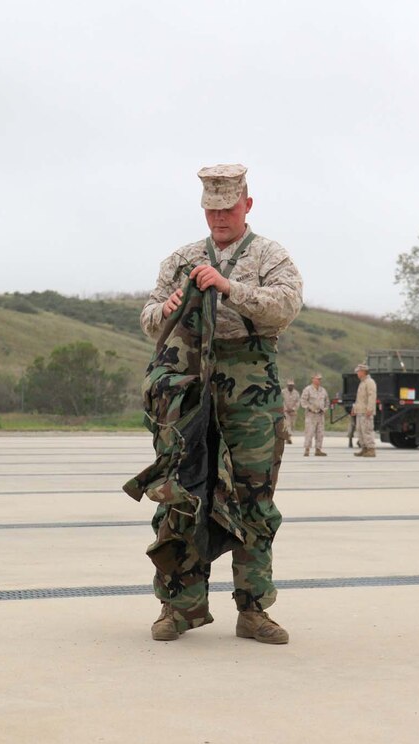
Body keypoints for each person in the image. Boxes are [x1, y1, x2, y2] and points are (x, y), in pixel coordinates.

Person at [130, 163, 302, 644]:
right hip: (188, 386)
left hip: (251, 388)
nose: (218, 218)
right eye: (211, 209)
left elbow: (286, 306)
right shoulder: (182, 258)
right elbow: (148, 318)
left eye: (227, 208)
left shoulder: (270, 255)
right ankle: (178, 607)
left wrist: (231, 289)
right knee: (183, 494)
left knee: (253, 497)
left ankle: (253, 609)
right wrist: (165, 310)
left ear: (247, 204)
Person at [300, 372, 330, 456]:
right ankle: (307, 449)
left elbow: (327, 402)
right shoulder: (308, 389)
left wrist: (325, 409)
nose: (318, 381)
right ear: (313, 379)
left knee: (320, 433)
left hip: (320, 415)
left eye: (320, 379)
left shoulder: (323, 390)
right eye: (317, 379)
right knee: (309, 432)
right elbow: (303, 401)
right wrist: (310, 407)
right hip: (311, 415)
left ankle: (318, 449)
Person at [351, 363, 377, 457]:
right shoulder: (362, 382)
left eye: (358, 371)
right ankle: (364, 448)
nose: (357, 373)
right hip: (360, 411)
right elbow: (359, 398)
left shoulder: (369, 382)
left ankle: (371, 449)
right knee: (360, 430)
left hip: (366, 412)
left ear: (363, 372)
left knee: (367, 430)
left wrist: (370, 409)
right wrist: (354, 408)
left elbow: (372, 396)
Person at [282, 379, 301, 443]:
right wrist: (285, 408)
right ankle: (288, 438)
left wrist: (293, 408)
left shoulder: (296, 393)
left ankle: (289, 436)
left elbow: (298, 402)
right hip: (285, 411)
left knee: (292, 425)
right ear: (287, 385)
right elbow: (281, 401)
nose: (290, 386)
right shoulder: (283, 392)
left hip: (293, 412)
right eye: (289, 385)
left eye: (292, 385)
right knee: (287, 424)